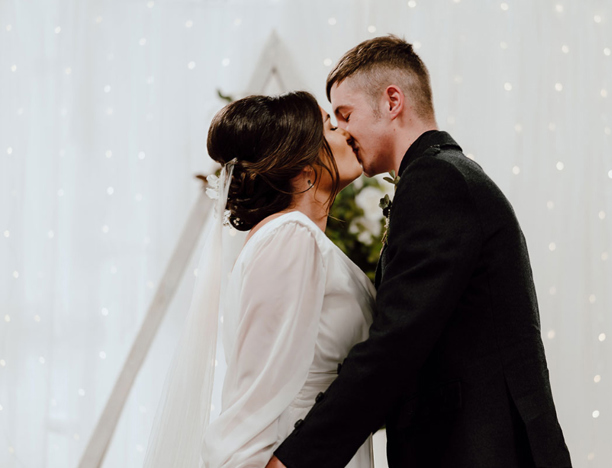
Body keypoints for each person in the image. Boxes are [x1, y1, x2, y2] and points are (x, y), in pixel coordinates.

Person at [268, 36, 572, 468]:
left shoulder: (438, 182)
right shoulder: (445, 175)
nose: (342, 132)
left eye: (345, 114)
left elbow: (395, 344)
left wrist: (295, 460)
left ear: (392, 101)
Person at [142, 91, 375, 468]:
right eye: (331, 126)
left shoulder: (297, 239)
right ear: (304, 165)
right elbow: (255, 399)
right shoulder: (291, 237)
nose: (345, 132)